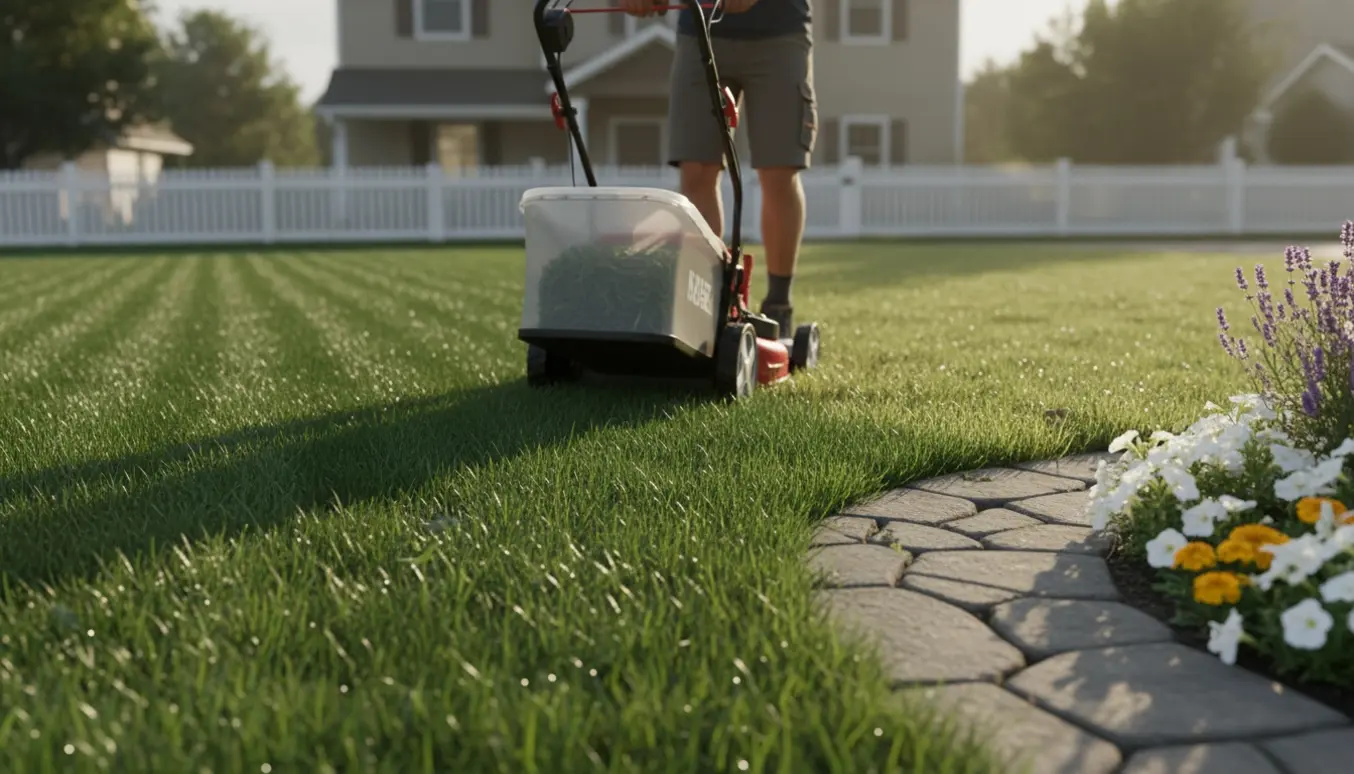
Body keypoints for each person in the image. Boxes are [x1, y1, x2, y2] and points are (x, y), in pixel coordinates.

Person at [621, 0, 815, 336]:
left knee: (779, 171)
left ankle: (778, 305)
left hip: (780, 33)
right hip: (701, 31)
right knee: (696, 169)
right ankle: (709, 302)